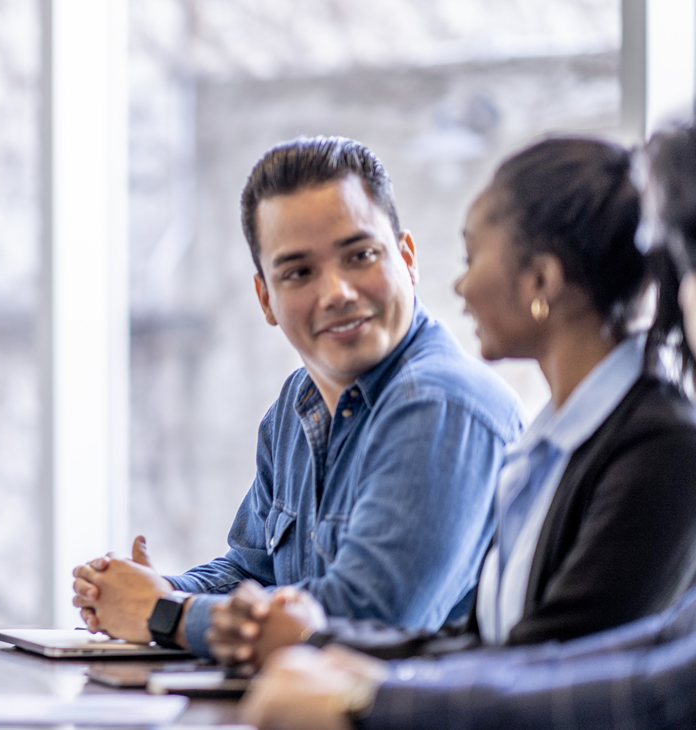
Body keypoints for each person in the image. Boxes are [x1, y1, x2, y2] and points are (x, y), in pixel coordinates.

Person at [240, 121, 696, 730]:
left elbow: (557, 669)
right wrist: (325, 648)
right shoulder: (553, 443)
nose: (459, 284)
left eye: (472, 256)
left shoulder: (660, 446)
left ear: (540, 281)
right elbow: (491, 643)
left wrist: (356, 691)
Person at [73, 137, 525, 658]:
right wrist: (148, 592)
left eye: (359, 255)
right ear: (266, 297)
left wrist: (165, 614)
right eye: (299, 273)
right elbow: (250, 570)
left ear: (406, 258)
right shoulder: (297, 403)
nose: (336, 292)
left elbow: (363, 621)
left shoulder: (441, 405)